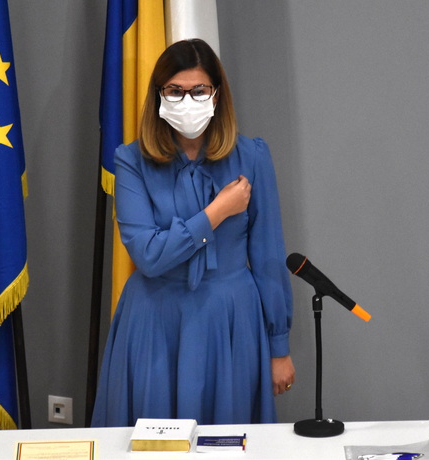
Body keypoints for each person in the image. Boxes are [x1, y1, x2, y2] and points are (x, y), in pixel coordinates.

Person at [91, 38, 294, 427]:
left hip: (230, 321)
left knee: (228, 442)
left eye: (199, 90)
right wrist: (217, 212)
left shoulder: (252, 156)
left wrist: (279, 346)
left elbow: (268, 256)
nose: (187, 101)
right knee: (152, 442)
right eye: (175, 91)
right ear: (159, 95)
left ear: (217, 94)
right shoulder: (130, 161)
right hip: (155, 320)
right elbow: (149, 256)